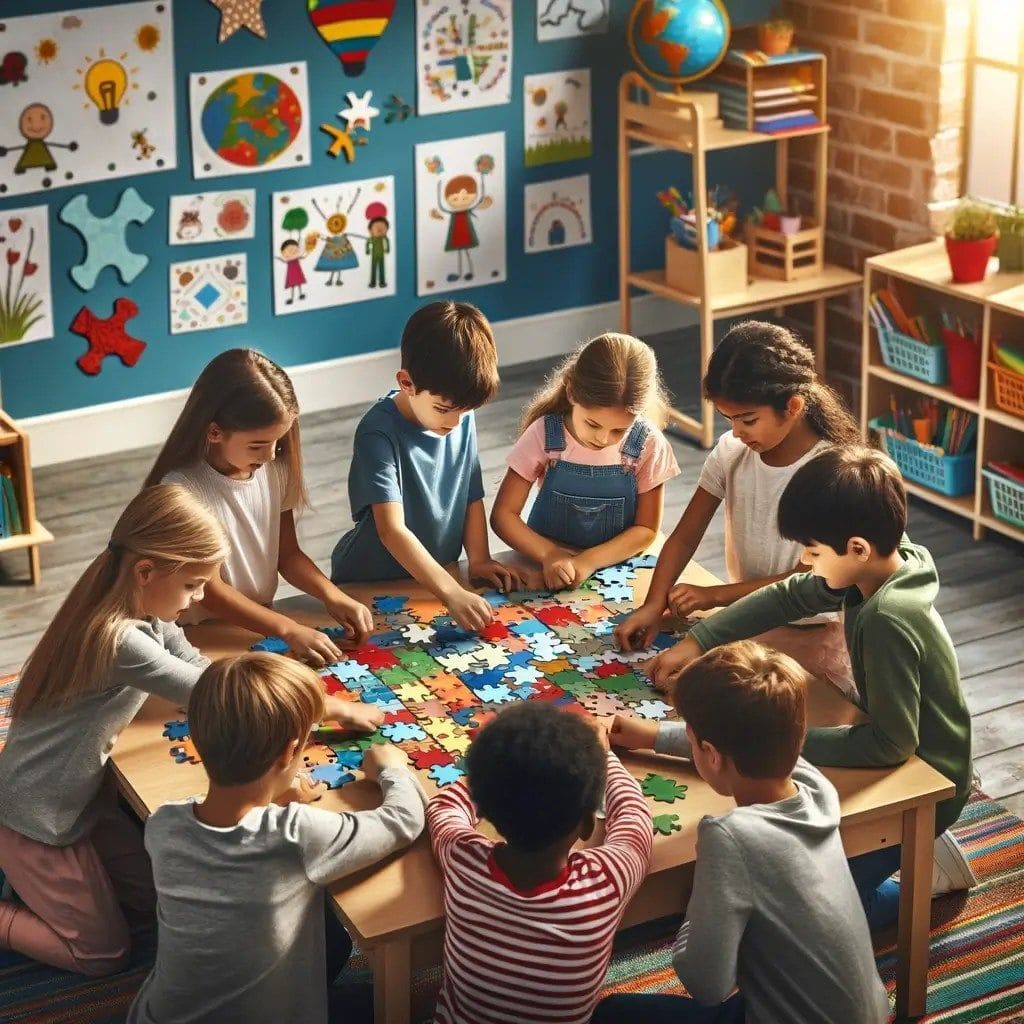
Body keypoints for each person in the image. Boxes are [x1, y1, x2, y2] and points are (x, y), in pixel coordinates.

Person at [645, 446, 975, 931]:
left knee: (811, 913)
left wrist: (781, 744)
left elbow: (891, 745)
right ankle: (908, 849)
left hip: (927, 776)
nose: (804, 560)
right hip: (903, 737)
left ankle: (921, 870)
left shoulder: (887, 619)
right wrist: (700, 640)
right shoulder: (886, 559)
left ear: (857, 549)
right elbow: (790, 595)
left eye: (813, 552)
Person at [597, 641, 889, 1024]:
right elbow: (749, 740)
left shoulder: (731, 838)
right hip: (871, 1014)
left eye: (692, 740)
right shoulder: (815, 788)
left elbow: (707, 985)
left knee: (610, 1013)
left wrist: (703, 900)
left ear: (711, 753)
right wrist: (653, 736)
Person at [0, 485, 227, 975]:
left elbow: (193, 664)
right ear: (146, 572)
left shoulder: (139, 605)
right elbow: (206, 691)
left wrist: (245, 677)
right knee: (104, 955)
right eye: (192, 584)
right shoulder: (120, 639)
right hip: (38, 820)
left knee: (155, 901)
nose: (200, 597)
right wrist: (310, 698)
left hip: (85, 802)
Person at [127, 653, 426, 1024]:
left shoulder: (163, 824)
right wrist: (392, 769)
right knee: (392, 1001)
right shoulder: (295, 833)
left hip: (158, 1016)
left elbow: (233, 838)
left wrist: (274, 802)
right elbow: (404, 821)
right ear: (289, 752)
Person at [616, 321, 856, 694]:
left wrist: (715, 595)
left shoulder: (831, 473)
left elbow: (806, 582)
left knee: (703, 678)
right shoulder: (733, 451)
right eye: (729, 419)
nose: (737, 431)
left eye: (748, 420)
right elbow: (685, 535)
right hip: (749, 613)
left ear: (792, 407)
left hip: (812, 632)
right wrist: (653, 603)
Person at [145, 349, 375, 670]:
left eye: (278, 441)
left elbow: (288, 555)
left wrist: (332, 596)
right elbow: (211, 591)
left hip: (261, 621)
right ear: (214, 432)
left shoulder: (275, 468)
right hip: (204, 633)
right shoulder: (182, 489)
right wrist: (288, 629)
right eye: (257, 445)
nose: (270, 455)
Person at [427, 702, 652, 1024]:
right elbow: (634, 819)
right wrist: (603, 759)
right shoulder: (606, 881)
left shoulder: (462, 860)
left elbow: (443, 808)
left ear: (487, 813)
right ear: (588, 823)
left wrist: (496, 773)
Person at [331, 301, 521, 631]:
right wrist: (451, 592)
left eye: (465, 411)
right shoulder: (377, 432)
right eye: (443, 409)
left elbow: (470, 491)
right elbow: (391, 530)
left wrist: (479, 559)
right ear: (407, 383)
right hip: (371, 580)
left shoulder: (459, 414)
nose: (455, 421)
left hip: (437, 575)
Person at [491, 333, 679, 590]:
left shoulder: (648, 444)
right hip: (544, 565)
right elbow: (503, 515)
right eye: (592, 424)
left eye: (619, 430)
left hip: (617, 570)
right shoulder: (544, 433)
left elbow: (646, 529)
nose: (603, 438)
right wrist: (549, 554)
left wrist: (589, 561)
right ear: (571, 392)